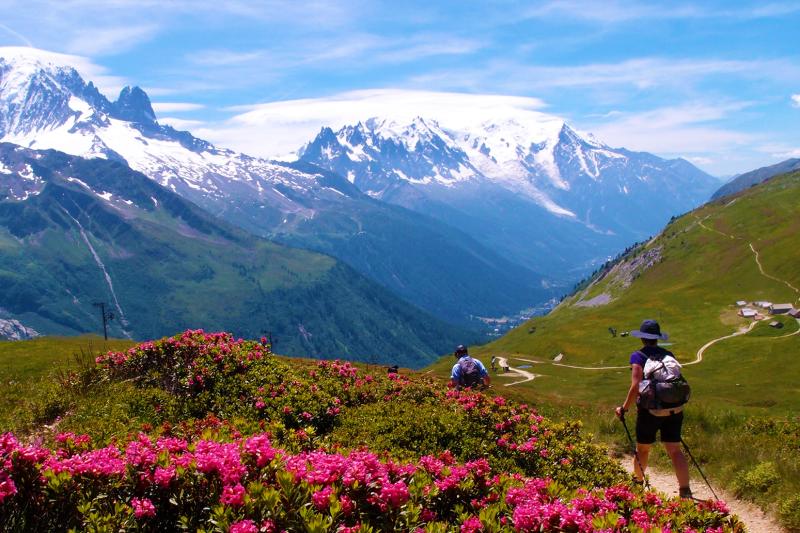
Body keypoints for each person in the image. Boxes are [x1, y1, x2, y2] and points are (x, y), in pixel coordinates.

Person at [615, 319, 692, 499]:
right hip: (674, 409)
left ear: (642, 338)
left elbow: (635, 387)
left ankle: (638, 486)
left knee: (643, 449)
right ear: (657, 338)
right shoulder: (668, 354)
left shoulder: (638, 356)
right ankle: (685, 490)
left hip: (650, 412)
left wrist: (624, 408)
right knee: (675, 450)